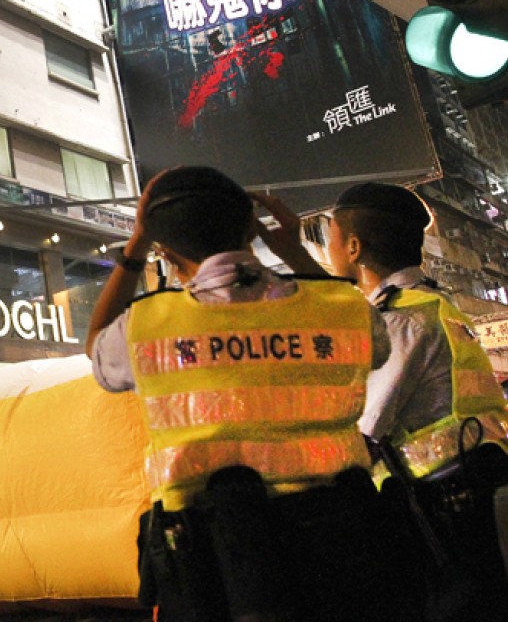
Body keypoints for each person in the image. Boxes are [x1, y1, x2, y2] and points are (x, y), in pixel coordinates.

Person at [86, 166, 413, 622]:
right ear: (251, 228)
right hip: (342, 546)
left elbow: (95, 345)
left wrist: (134, 247)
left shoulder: (145, 327)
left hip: (214, 563)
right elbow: (372, 334)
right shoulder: (339, 312)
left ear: (162, 248)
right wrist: (295, 250)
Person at [326, 181, 508, 617]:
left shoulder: (399, 319)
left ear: (353, 246)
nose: (326, 248)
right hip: (469, 491)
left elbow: (364, 432)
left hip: (440, 508)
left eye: (328, 235)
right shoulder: (431, 303)